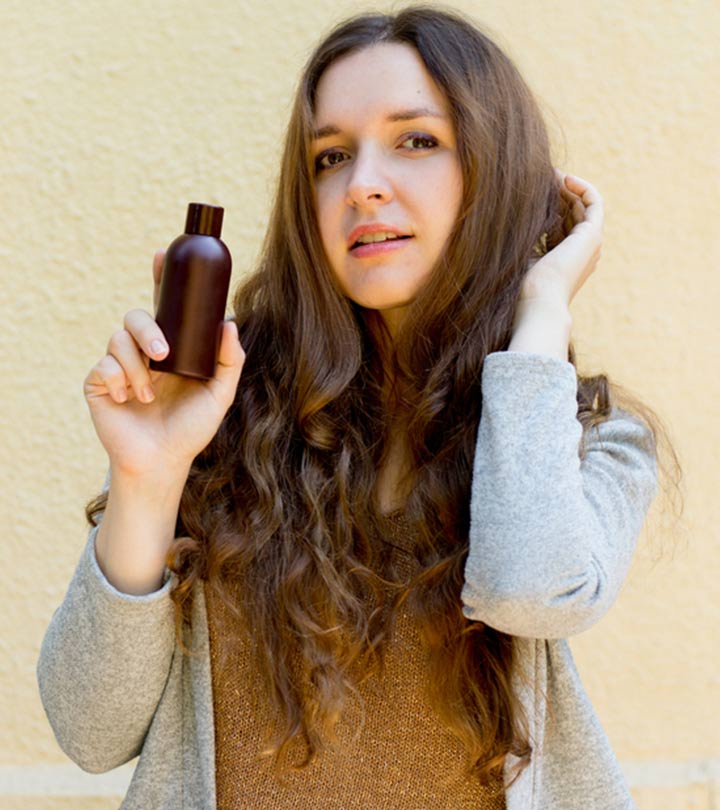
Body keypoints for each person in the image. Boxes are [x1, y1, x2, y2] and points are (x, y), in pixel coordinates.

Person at [38, 6, 665, 809]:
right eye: (330, 155)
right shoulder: (227, 411)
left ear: (496, 172)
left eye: (416, 140)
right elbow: (91, 732)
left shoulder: (590, 448)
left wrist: (541, 308)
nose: (362, 183)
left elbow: (527, 592)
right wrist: (148, 474)